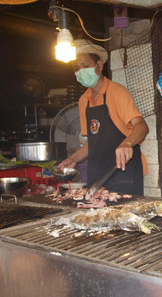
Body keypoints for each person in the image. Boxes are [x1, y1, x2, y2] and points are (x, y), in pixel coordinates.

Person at [58, 39, 149, 195]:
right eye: (76, 68)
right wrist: (74, 158)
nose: (81, 71)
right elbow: (93, 142)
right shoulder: (83, 101)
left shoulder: (116, 92)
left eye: (85, 66)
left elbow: (142, 126)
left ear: (99, 66)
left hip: (123, 174)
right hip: (98, 177)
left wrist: (127, 143)